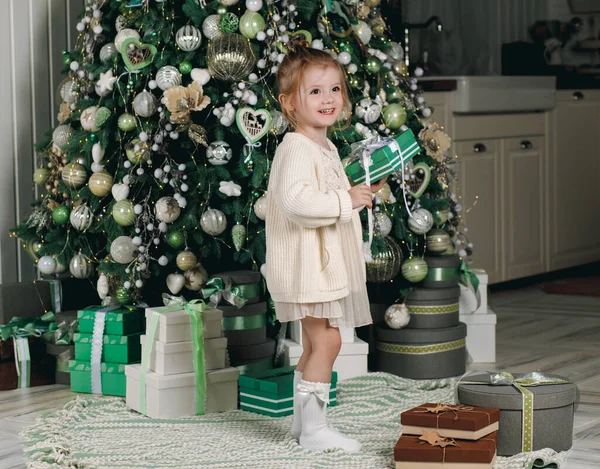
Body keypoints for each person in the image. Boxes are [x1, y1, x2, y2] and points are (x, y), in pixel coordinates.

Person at [265, 42, 386, 453]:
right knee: (329, 341)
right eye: (315, 91)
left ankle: (303, 425)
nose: (328, 98)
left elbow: (333, 195)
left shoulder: (325, 146)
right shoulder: (296, 148)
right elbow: (297, 203)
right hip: (306, 266)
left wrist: (360, 193)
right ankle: (316, 431)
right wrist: (344, 200)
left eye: (334, 89)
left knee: (317, 342)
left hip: (317, 264)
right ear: (289, 104)